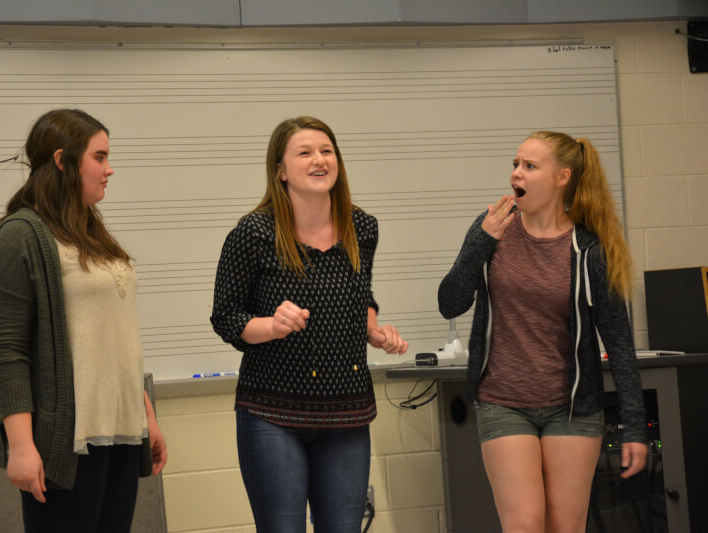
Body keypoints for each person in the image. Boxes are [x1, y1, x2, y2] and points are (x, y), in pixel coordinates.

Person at [438, 131, 647, 533]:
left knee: (564, 527)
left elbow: (619, 343)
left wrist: (636, 425)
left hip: (571, 408)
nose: (517, 173)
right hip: (503, 402)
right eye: (515, 164)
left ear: (562, 177)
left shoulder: (589, 248)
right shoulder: (492, 229)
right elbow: (450, 302)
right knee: (525, 524)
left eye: (530, 166)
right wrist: (481, 242)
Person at [211, 116, 408, 532]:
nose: (319, 160)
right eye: (305, 153)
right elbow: (226, 316)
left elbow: (361, 296)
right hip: (272, 413)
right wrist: (271, 325)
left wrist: (372, 328)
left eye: (326, 151)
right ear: (281, 171)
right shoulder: (254, 233)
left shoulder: (363, 228)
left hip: (347, 412)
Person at [0, 109, 167, 533]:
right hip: (67, 442)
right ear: (63, 160)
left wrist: (146, 417)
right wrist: (22, 446)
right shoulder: (20, 235)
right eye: (100, 157)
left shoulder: (90, 230)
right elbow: (7, 353)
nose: (109, 169)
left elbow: (112, 336)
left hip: (120, 431)